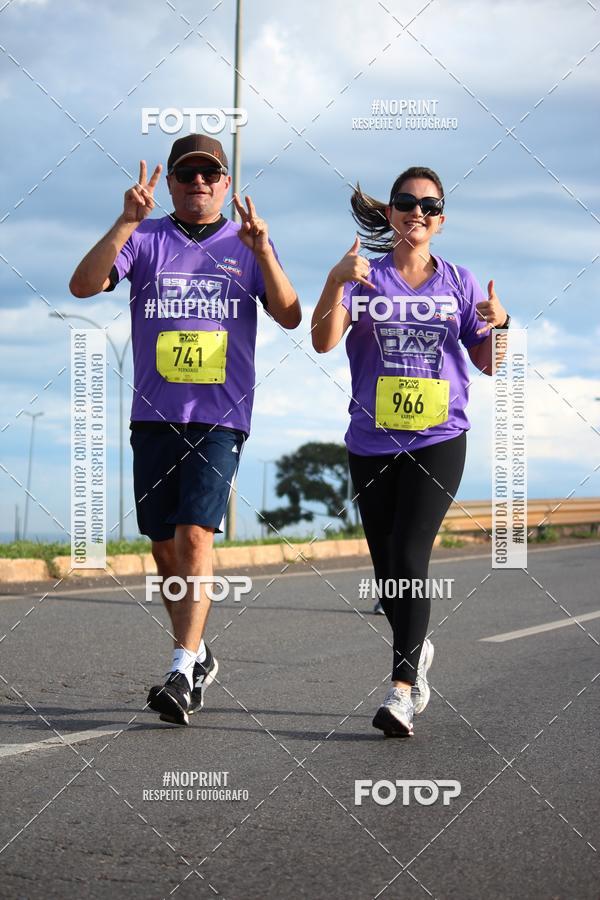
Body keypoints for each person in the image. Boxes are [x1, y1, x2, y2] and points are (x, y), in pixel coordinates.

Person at [70, 133, 301, 725]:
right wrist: (125, 222)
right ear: (170, 183)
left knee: (196, 535)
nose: (199, 183)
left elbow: (292, 314)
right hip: (152, 415)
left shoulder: (246, 242)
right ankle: (196, 653)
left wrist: (266, 251)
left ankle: (179, 668)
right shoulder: (145, 236)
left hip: (220, 418)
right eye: (187, 174)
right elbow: (82, 284)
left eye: (210, 174)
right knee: (164, 547)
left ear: (226, 185)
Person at [312, 166, 509, 737]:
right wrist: (333, 280)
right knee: (386, 571)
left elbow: (491, 363)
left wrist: (502, 324)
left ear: (440, 221)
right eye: (406, 202)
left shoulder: (460, 282)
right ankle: (415, 648)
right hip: (371, 441)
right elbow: (324, 341)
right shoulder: (360, 276)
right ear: (392, 213)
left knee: (409, 555)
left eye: (428, 206)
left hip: (438, 437)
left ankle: (402, 690)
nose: (416, 212)